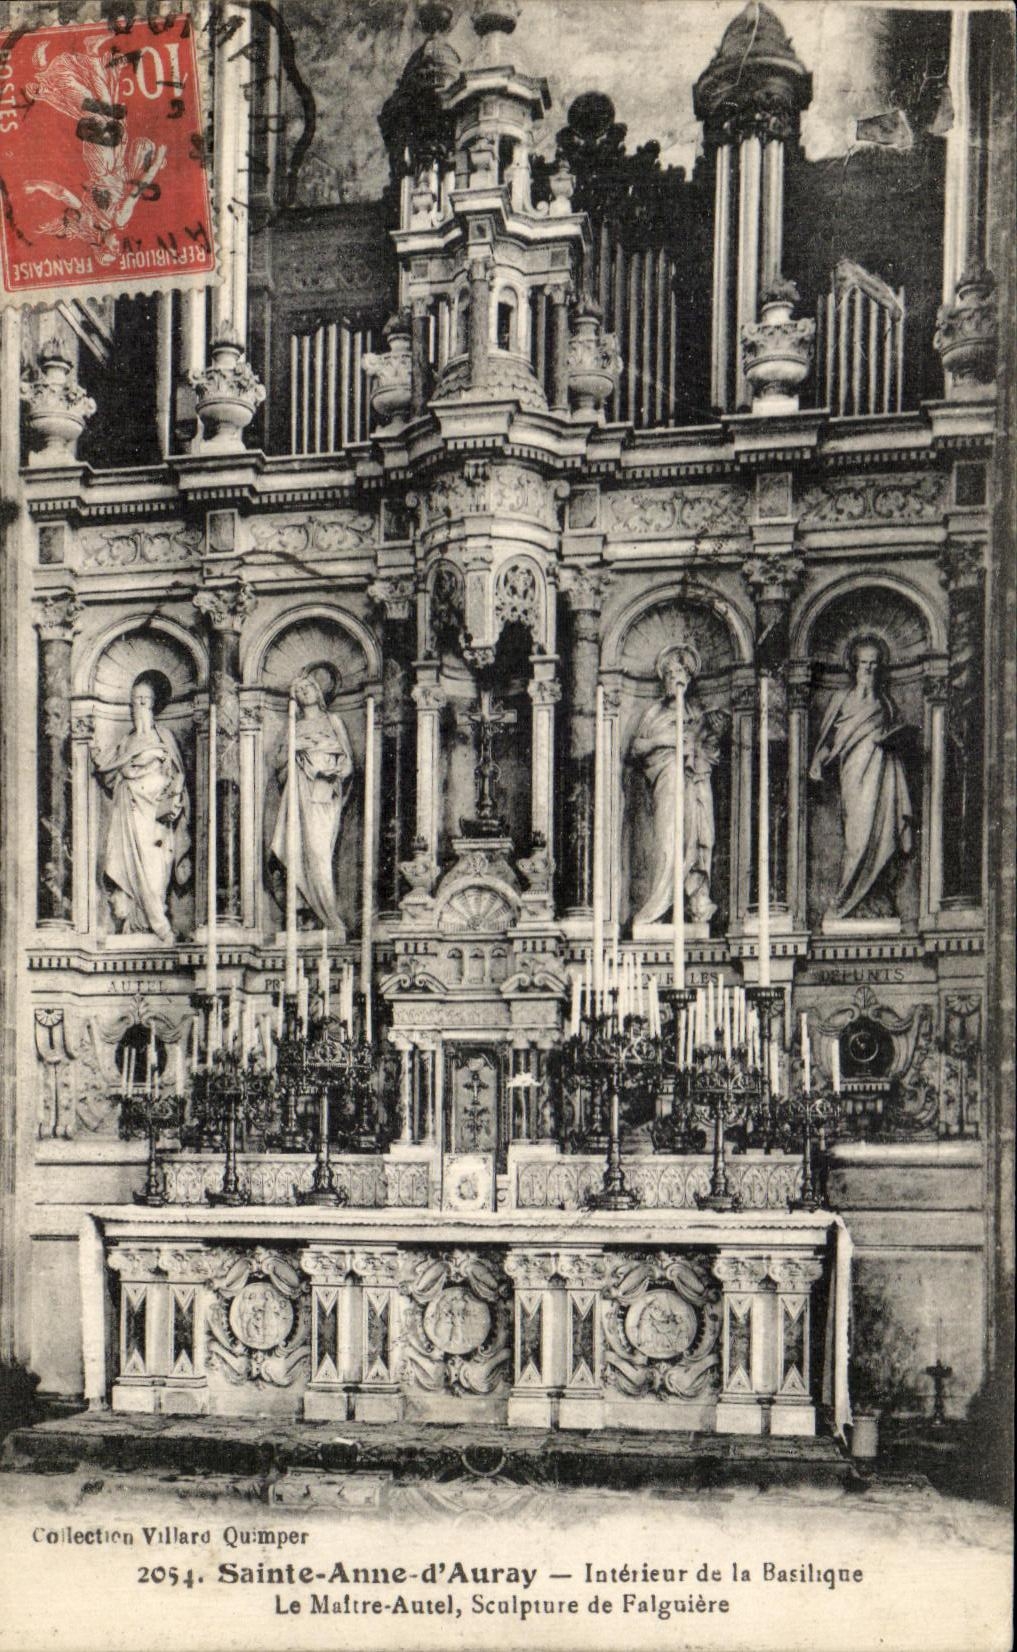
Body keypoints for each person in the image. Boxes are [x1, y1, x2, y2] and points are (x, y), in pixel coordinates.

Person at [809, 635, 913, 918]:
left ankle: (874, 898)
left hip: (881, 776)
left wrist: (893, 742)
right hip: (853, 774)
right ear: (854, 666)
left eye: (874, 664)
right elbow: (829, 739)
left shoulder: (885, 703)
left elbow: (896, 735)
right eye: (863, 663)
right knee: (857, 835)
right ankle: (847, 898)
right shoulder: (841, 699)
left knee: (881, 834)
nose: (868, 670)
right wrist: (819, 761)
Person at [630, 644, 724, 927]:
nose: (675, 679)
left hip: (696, 782)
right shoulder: (654, 714)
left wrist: (711, 735)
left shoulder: (697, 714)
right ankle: (658, 909)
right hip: (667, 781)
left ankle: (697, 902)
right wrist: (666, 741)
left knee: (700, 837)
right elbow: (637, 747)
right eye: (669, 675)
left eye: (680, 673)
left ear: (689, 678)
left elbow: (712, 751)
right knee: (669, 843)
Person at [94, 678, 190, 942]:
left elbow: (177, 776)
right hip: (130, 813)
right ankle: (137, 925)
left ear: (154, 704)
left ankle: (156, 924)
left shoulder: (165, 737)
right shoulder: (126, 742)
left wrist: (169, 790)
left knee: (155, 870)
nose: (140, 705)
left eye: (145, 700)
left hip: (156, 817)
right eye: (135, 700)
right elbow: (110, 774)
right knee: (128, 863)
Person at [270, 670, 355, 934]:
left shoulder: (333, 721)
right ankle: (302, 913)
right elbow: (279, 767)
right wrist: (294, 749)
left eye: (308, 686)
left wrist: (334, 772)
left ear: (318, 691)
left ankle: (327, 915)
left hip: (323, 796)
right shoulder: (292, 728)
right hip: (297, 796)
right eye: (298, 688)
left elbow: (349, 762)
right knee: (295, 849)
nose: (304, 690)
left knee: (318, 853)